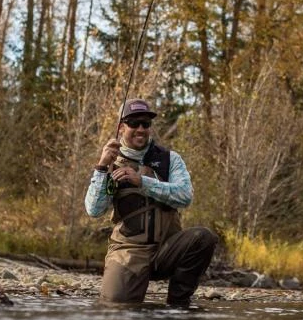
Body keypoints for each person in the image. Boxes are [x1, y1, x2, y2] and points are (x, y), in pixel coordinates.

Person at [84, 98, 218, 307]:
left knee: (203, 238)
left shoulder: (170, 159)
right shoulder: (110, 162)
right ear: (121, 127)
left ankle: (178, 304)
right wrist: (102, 167)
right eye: (134, 123)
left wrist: (143, 182)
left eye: (145, 124)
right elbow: (94, 210)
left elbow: (185, 196)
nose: (141, 129)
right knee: (116, 311)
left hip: (167, 249)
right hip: (128, 252)